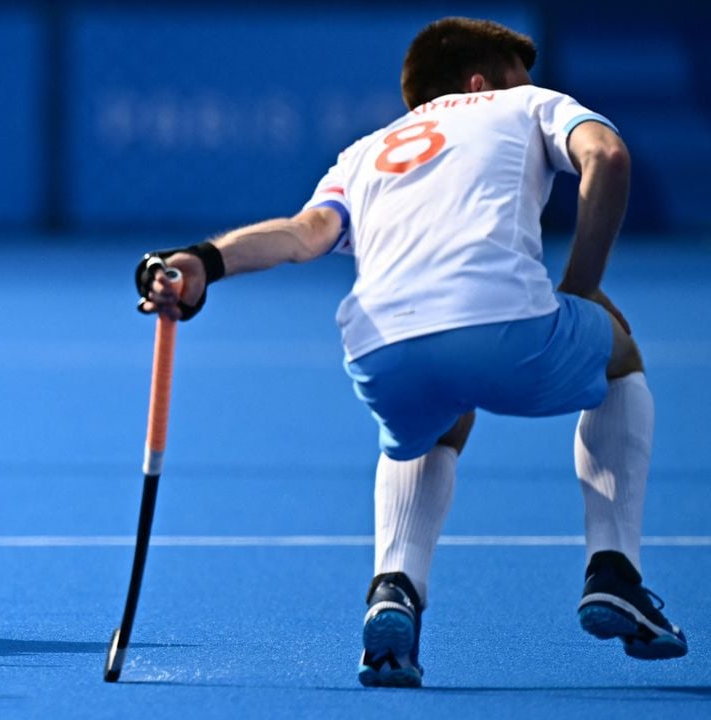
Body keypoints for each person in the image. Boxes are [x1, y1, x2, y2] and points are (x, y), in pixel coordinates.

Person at [135, 17, 687, 687]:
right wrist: (583, 289)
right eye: (519, 74)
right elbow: (609, 158)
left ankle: (393, 589)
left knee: (431, 417)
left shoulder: (365, 151)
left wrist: (200, 261)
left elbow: (303, 236)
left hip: (378, 349)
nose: (530, 85)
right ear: (480, 82)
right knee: (619, 357)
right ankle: (614, 571)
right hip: (502, 323)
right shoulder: (528, 105)